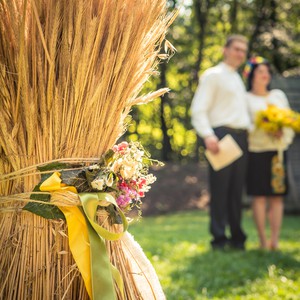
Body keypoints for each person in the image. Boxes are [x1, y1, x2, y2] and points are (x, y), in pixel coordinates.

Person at [191, 35, 250, 250]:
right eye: (236, 49)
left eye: (243, 50)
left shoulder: (238, 79)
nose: (240, 53)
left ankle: (237, 238)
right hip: (221, 137)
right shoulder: (213, 75)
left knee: (237, 191)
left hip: (242, 138)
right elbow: (199, 109)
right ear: (225, 50)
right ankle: (218, 238)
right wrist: (208, 135)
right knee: (221, 190)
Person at [244, 57, 294, 250]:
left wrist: (281, 132)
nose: (264, 75)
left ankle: (275, 241)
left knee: (277, 197)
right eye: (260, 71)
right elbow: (244, 124)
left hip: (277, 153)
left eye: (267, 71)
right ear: (251, 76)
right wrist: (262, 128)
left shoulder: (278, 95)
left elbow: (288, 119)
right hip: (256, 152)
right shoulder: (245, 98)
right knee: (259, 196)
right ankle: (263, 241)